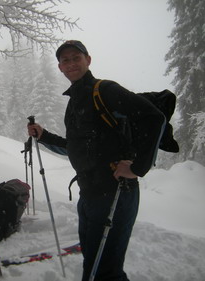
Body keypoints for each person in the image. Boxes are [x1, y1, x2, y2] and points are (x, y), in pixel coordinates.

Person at [27, 40, 165, 281]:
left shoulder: (105, 90)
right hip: (89, 193)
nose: (71, 63)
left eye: (76, 57)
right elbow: (79, 147)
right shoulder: (75, 100)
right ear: (60, 67)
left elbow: (154, 118)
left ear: (88, 60)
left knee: (104, 271)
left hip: (116, 193)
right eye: (65, 60)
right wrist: (45, 136)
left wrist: (137, 168)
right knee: (93, 261)